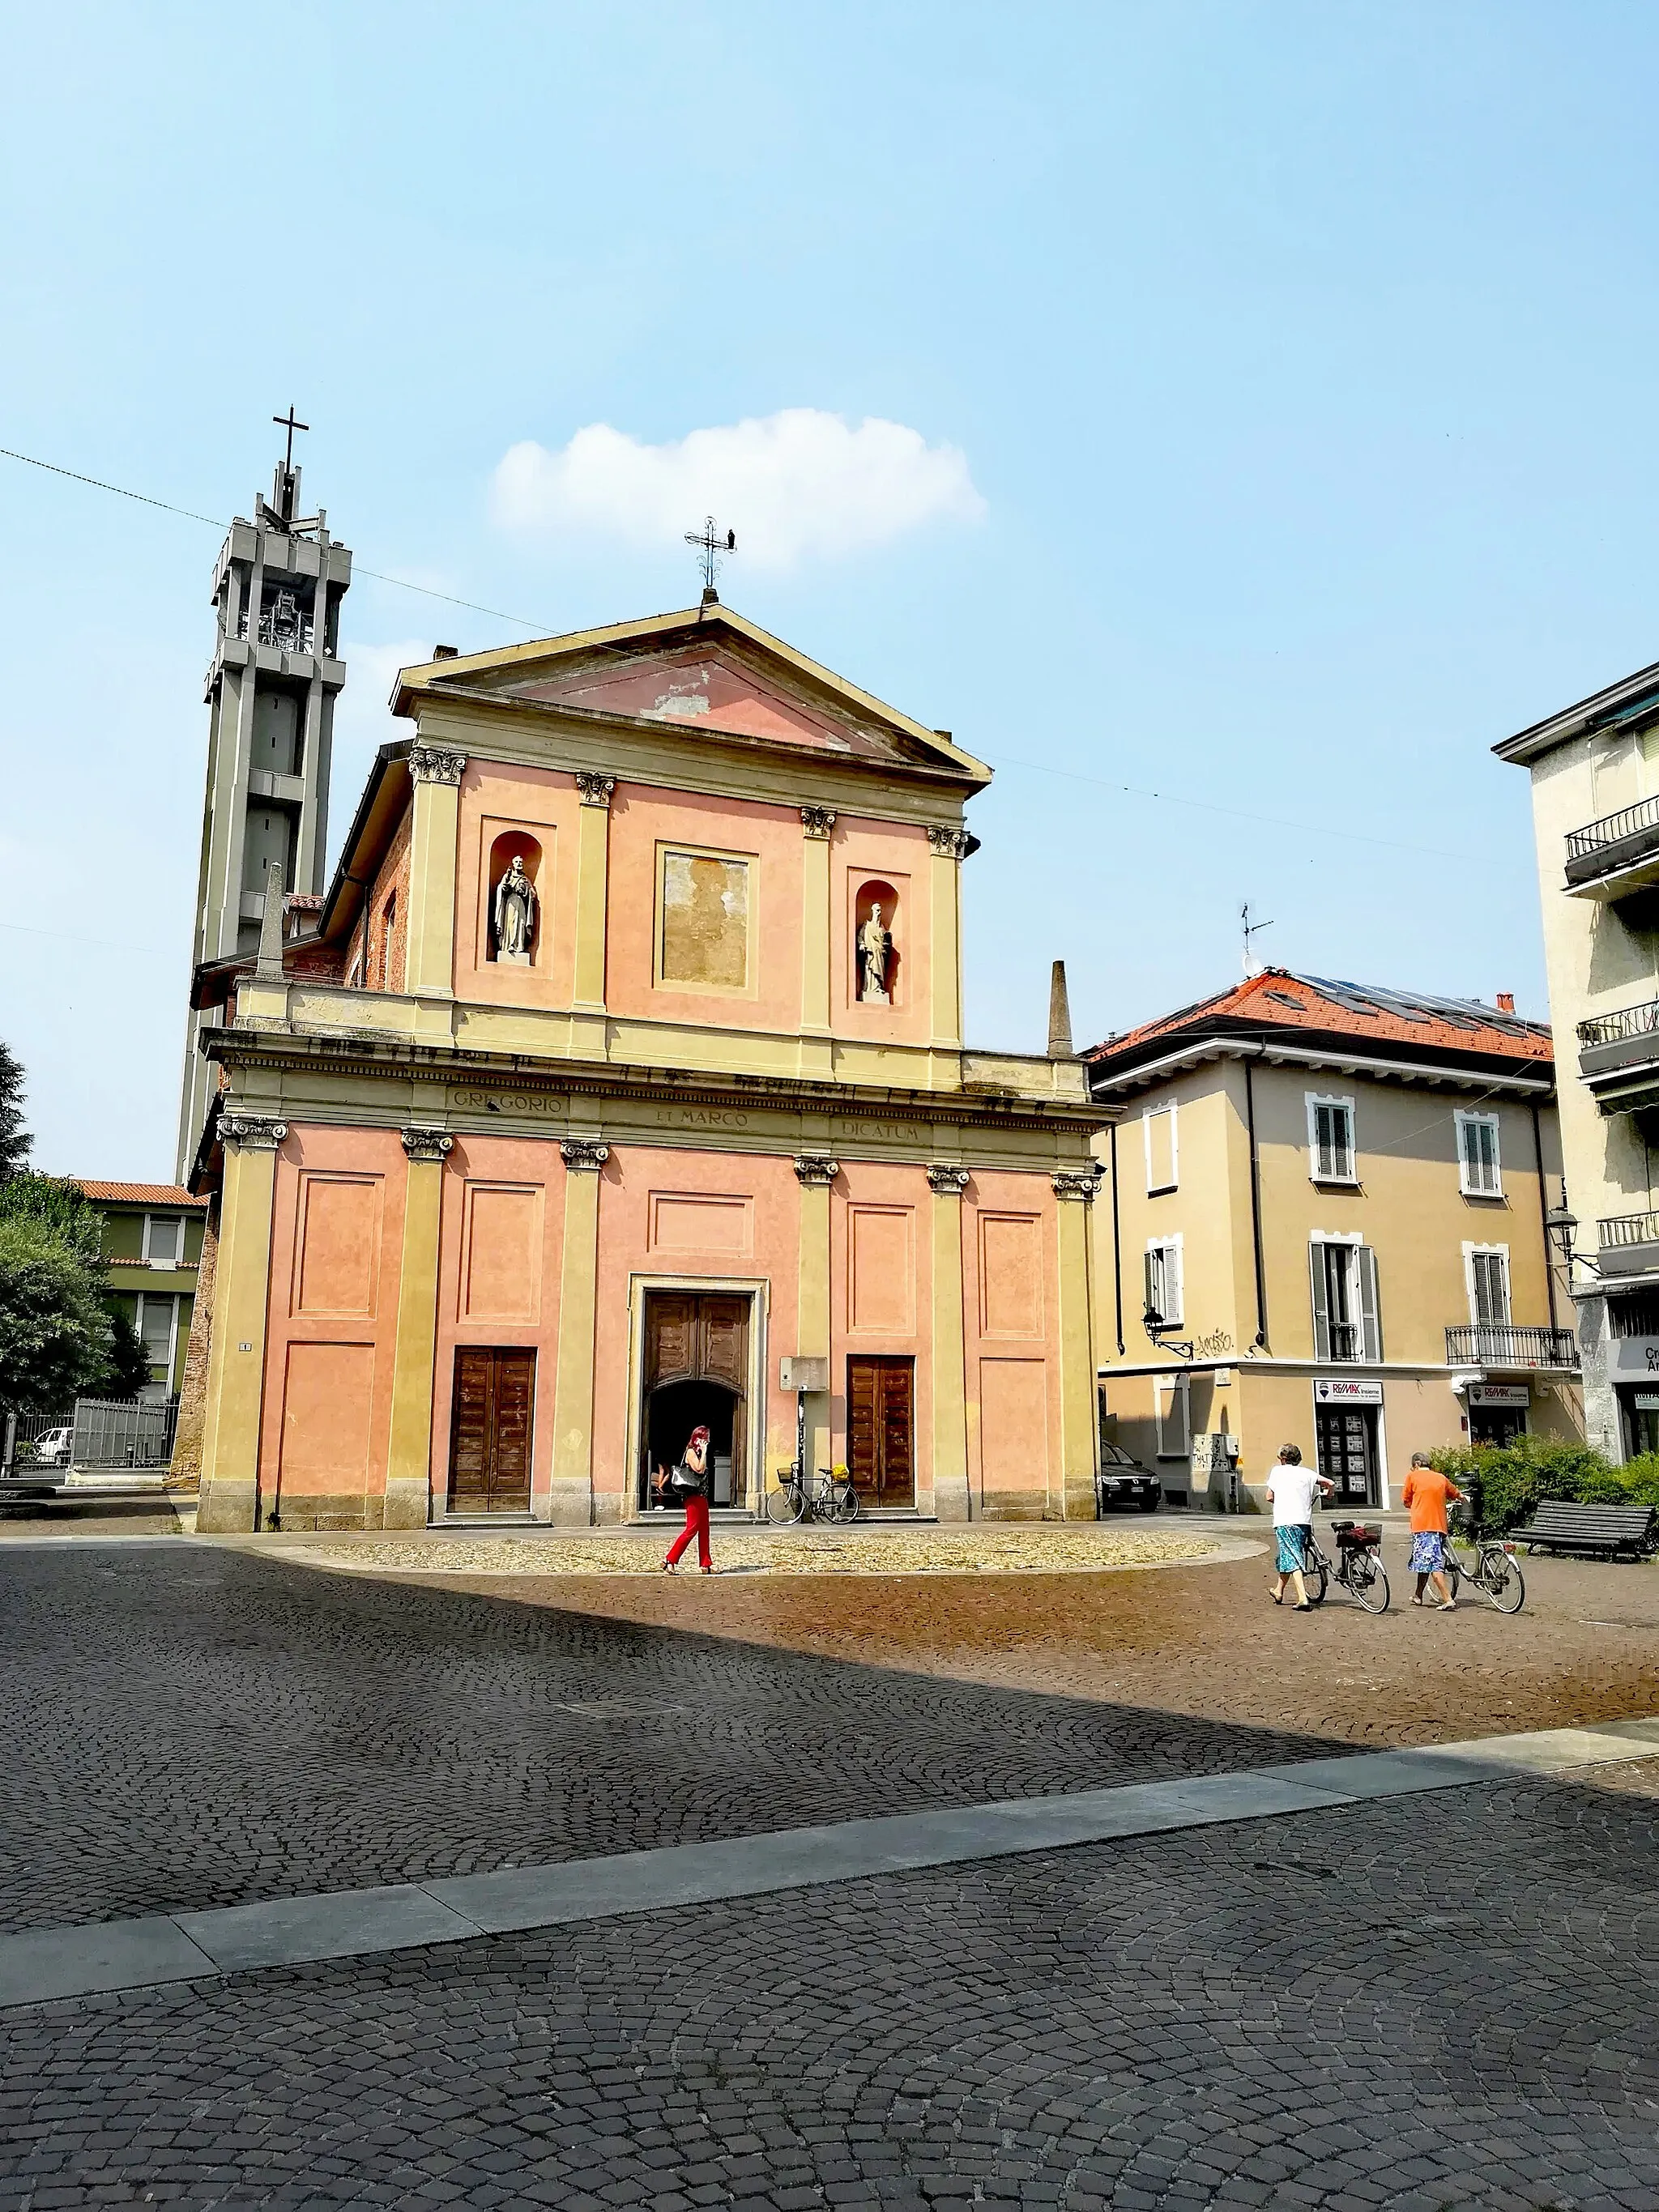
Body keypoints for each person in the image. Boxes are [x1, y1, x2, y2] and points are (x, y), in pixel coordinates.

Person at [1267, 1443, 1334, 1611]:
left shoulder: (1277, 1472)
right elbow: (1330, 1483)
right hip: (1304, 1521)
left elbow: (1269, 1497)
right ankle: (1278, 1591)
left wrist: (1283, 1500)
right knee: (1288, 1554)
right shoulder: (1307, 1473)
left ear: (1283, 1458)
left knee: (1293, 1557)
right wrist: (1329, 1494)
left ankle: (1303, 1598)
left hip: (1285, 1521)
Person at [1402, 1450, 1463, 1610]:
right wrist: (1462, 1498)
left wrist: (1416, 1505)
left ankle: (1447, 1598)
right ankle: (1418, 1595)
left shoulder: (1412, 1477)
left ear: (1416, 1464)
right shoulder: (1440, 1477)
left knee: (1434, 1563)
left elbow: (1406, 1500)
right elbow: (1455, 1493)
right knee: (1425, 1561)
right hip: (1440, 1526)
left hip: (1423, 1526)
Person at [662, 1423, 714, 1574]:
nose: (708, 1441)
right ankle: (670, 1559)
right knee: (691, 1529)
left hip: (701, 1496)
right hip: (693, 1497)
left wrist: (703, 1452)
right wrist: (704, 1452)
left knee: (704, 1530)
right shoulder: (691, 1452)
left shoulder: (697, 1452)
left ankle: (706, 1564)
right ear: (699, 1439)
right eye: (706, 1438)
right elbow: (699, 1469)